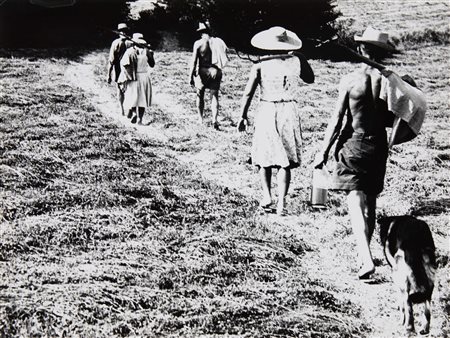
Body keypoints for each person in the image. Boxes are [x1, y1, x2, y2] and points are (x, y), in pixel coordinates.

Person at [314, 26, 396, 279]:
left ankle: (365, 258)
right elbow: (397, 118)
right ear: (382, 54)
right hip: (379, 145)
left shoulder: (350, 80)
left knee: (354, 201)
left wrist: (323, 151)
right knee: (370, 202)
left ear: (360, 49)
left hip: (354, 144)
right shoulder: (391, 81)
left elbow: (337, 119)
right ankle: (366, 254)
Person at [237, 26, 314, 216]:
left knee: (264, 156)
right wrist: (299, 58)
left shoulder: (261, 64)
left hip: (267, 108)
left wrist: (242, 115)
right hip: (289, 110)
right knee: (285, 160)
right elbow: (310, 78)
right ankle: (281, 203)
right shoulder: (297, 60)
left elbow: (248, 93)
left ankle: (267, 196)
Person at [188, 22, 228, 129]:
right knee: (214, 96)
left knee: (200, 95)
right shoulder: (218, 42)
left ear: (201, 32)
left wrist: (190, 76)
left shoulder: (198, 43)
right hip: (216, 71)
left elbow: (194, 62)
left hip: (203, 71)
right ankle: (214, 120)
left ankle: (200, 119)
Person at [118, 33, 155, 125]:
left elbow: (123, 65)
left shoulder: (129, 52)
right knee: (142, 98)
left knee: (133, 97)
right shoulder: (147, 51)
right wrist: (152, 55)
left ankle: (134, 113)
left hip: (133, 76)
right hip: (143, 76)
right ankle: (140, 120)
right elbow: (152, 64)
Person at [107, 23, 133, 116]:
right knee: (130, 89)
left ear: (119, 32)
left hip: (118, 70)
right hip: (130, 70)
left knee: (119, 89)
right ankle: (130, 109)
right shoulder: (132, 43)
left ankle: (121, 109)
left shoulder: (115, 43)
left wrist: (109, 74)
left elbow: (111, 60)